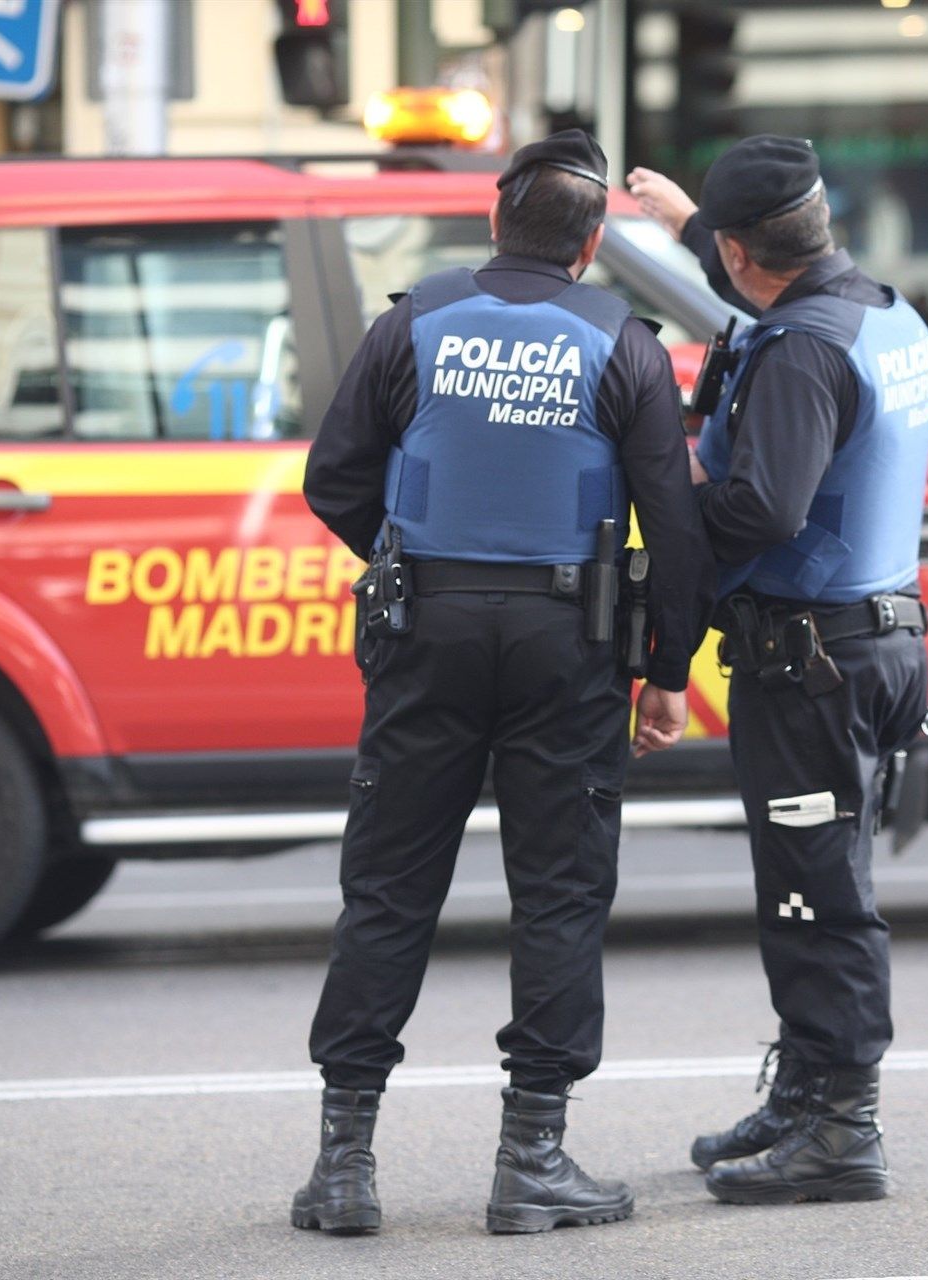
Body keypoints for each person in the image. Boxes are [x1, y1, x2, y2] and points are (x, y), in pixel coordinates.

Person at [296, 129, 712, 1237]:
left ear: (493, 222)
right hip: (565, 640)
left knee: (387, 887)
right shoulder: (622, 344)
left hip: (424, 628)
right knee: (560, 889)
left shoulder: (413, 322)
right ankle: (532, 1157)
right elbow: (673, 521)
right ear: (590, 245)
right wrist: (664, 669)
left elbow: (332, 478)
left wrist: (407, 557)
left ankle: (344, 1164)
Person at [628, 136, 928, 1204]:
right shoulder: (883, 316)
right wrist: (683, 228)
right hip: (875, 642)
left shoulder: (800, 353)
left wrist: (666, 523)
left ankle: (842, 1128)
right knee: (814, 887)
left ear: (739, 250)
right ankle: (809, 1093)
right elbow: (766, 295)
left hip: (813, 658)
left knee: (820, 898)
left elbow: (762, 507)